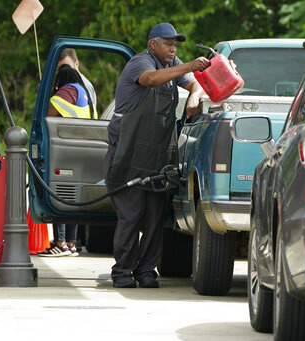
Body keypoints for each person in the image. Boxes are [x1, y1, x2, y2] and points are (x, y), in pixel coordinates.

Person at [104, 23, 210, 288]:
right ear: (153, 44)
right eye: (168, 43)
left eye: (176, 44)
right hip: (128, 155)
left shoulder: (172, 64)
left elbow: (195, 83)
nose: (173, 48)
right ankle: (123, 272)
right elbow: (150, 80)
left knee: (154, 218)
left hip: (157, 157)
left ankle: (146, 271)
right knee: (131, 217)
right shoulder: (140, 63)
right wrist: (189, 66)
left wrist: (194, 96)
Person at [38, 64, 92, 257]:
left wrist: (44, 94)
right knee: (73, 198)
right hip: (80, 148)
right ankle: (71, 243)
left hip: (65, 149)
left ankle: (60, 242)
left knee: (59, 194)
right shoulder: (83, 91)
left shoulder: (68, 90)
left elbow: (49, 112)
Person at [57, 48, 98, 118]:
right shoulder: (64, 84)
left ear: (77, 63)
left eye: (66, 67)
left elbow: (90, 116)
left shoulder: (85, 85)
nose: (63, 71)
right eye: (59, 69)